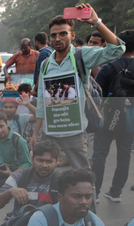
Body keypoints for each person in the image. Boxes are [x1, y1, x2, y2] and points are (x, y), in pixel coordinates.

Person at [31, 6, 126, 171]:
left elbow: (118, 49)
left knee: (83, 176)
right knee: (43, 173)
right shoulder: (46, 64)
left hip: (75, 131)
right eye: (54, 35)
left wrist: (96, 22)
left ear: (72, 35)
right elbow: (42, 101)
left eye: (63, 34)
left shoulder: (82, 56)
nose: (57, 38)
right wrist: (36, 133)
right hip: (50, 130)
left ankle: (89, 197)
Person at [92, 29, 134, 203]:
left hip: (107, 115)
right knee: (124, 155)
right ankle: (116, 192)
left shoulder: (108, 68)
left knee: (99, 155)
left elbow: (96, 93)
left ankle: (95, 192)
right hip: (130, 116)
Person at [0, 140, 60, 217]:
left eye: (49, 161)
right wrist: (10, 192)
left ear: (56, 162)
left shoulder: (63, 182)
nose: (44, 165)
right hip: (22, 225)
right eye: (40, 160)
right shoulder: (18, 177)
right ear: (32, 159)